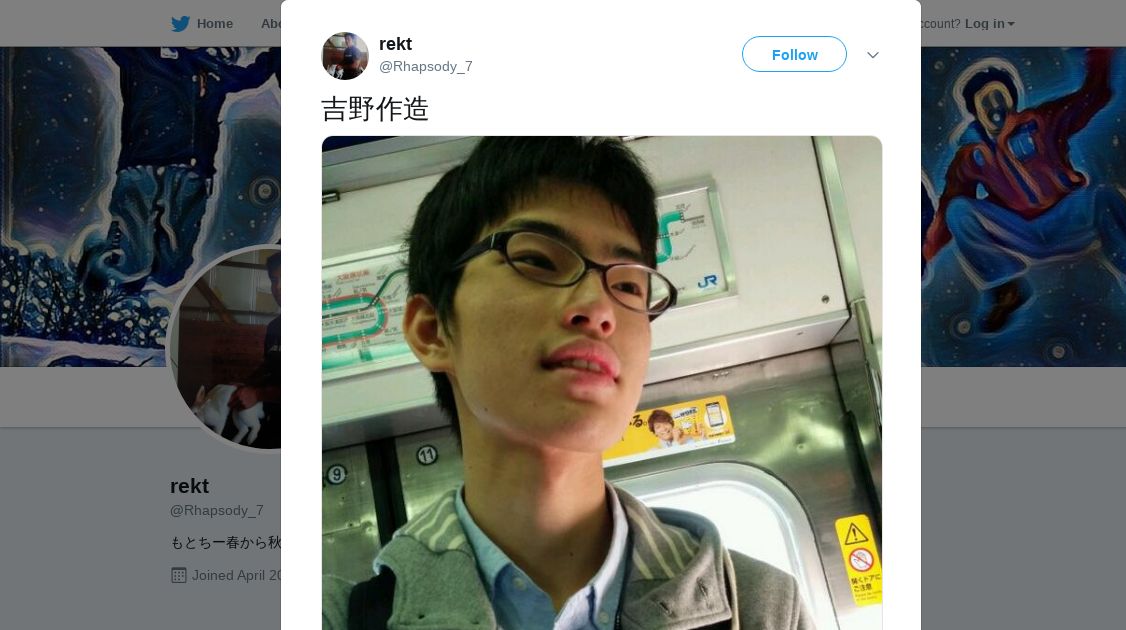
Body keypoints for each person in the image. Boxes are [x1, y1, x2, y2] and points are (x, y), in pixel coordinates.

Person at [323, 137, 814, 629]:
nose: (599, 308)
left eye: (627, 285)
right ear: (432, 331)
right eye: (538, 260)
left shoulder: (765, 608)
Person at [922, 48, 1126, 331]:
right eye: (986, 101)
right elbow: (947, 210)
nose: (996, 107)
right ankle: (1006, 290)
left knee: (1104, 196)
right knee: (959, 211)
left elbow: (1092, 97)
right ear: (975, 112)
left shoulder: (1041, 122)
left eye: (1000, 97)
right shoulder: (970, 156)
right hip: (1019, 231)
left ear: (1012, 99)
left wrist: (1099, 54)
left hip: (1066, 219)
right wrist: (923, 254)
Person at [79, 47, 280, 292]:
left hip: (190, 175)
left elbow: (253, 75)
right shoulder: (143, 55)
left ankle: (138, 282)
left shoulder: (213, 68)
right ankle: (106, 272)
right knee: (132, 258)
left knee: (172, 271)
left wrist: (280, 50)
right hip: (141, 168)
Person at [231, 251, 281, 449]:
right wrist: (245, 385)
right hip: (270, 416)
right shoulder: (274, 327)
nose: (278, 288)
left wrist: (258, 394)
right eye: (274, 280)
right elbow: (269, 366)